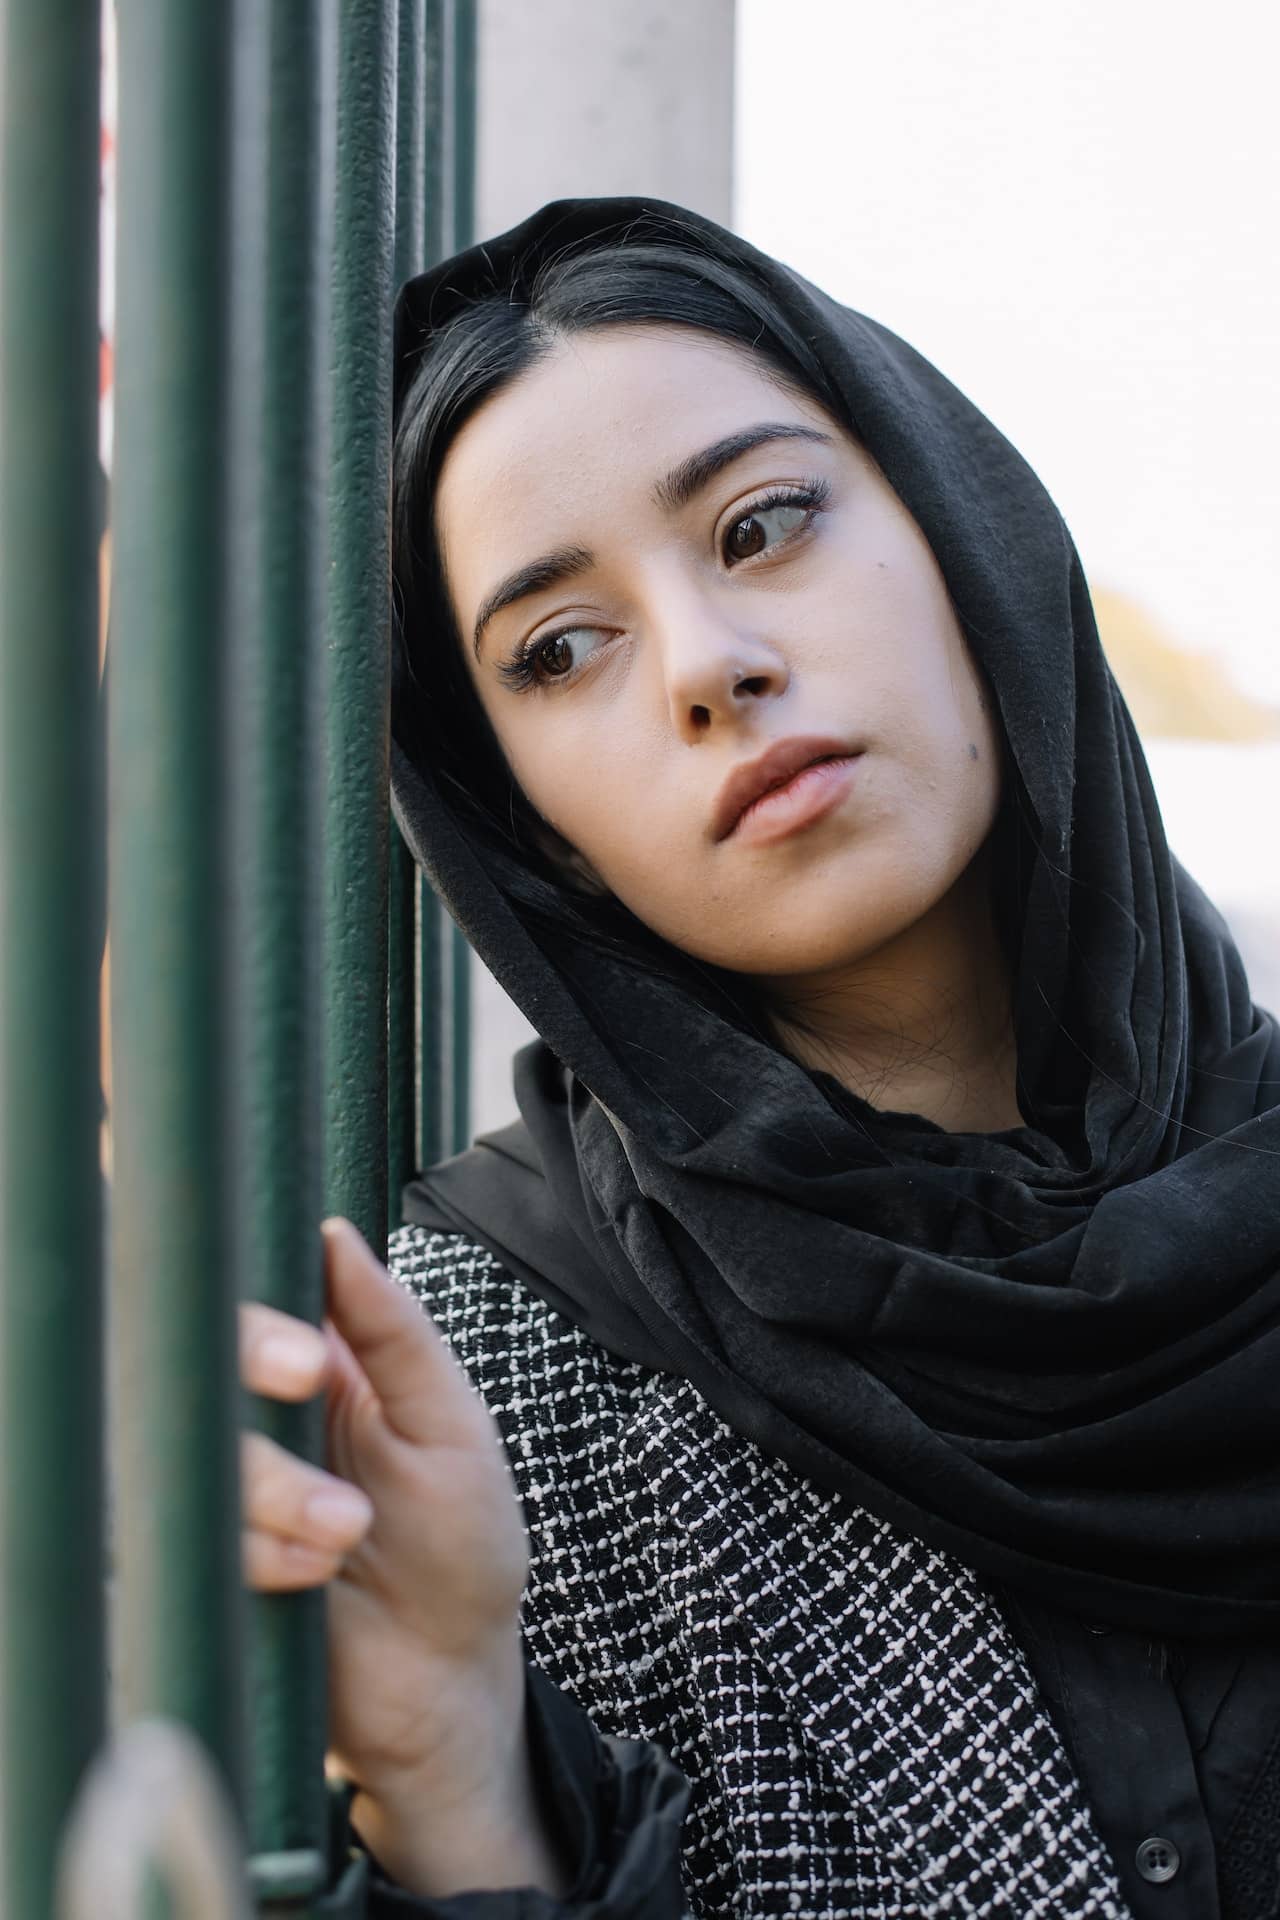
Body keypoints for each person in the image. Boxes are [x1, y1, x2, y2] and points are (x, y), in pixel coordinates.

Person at [239, 197, 1280, 1920]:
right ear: (524, 821)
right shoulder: (492, 1396)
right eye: (561, 651)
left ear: (962, 533)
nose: (713, 667)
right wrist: (454, 1782)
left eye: (763, 523)